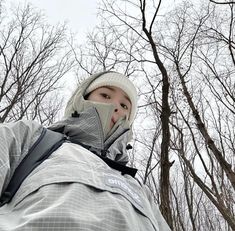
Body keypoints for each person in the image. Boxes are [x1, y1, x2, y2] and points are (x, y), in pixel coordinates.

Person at [0, 71, 171, 230]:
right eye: (105, 95)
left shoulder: (139, 189)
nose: (115, 106)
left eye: (125, 105)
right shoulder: (33, 139)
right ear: (81, 100)